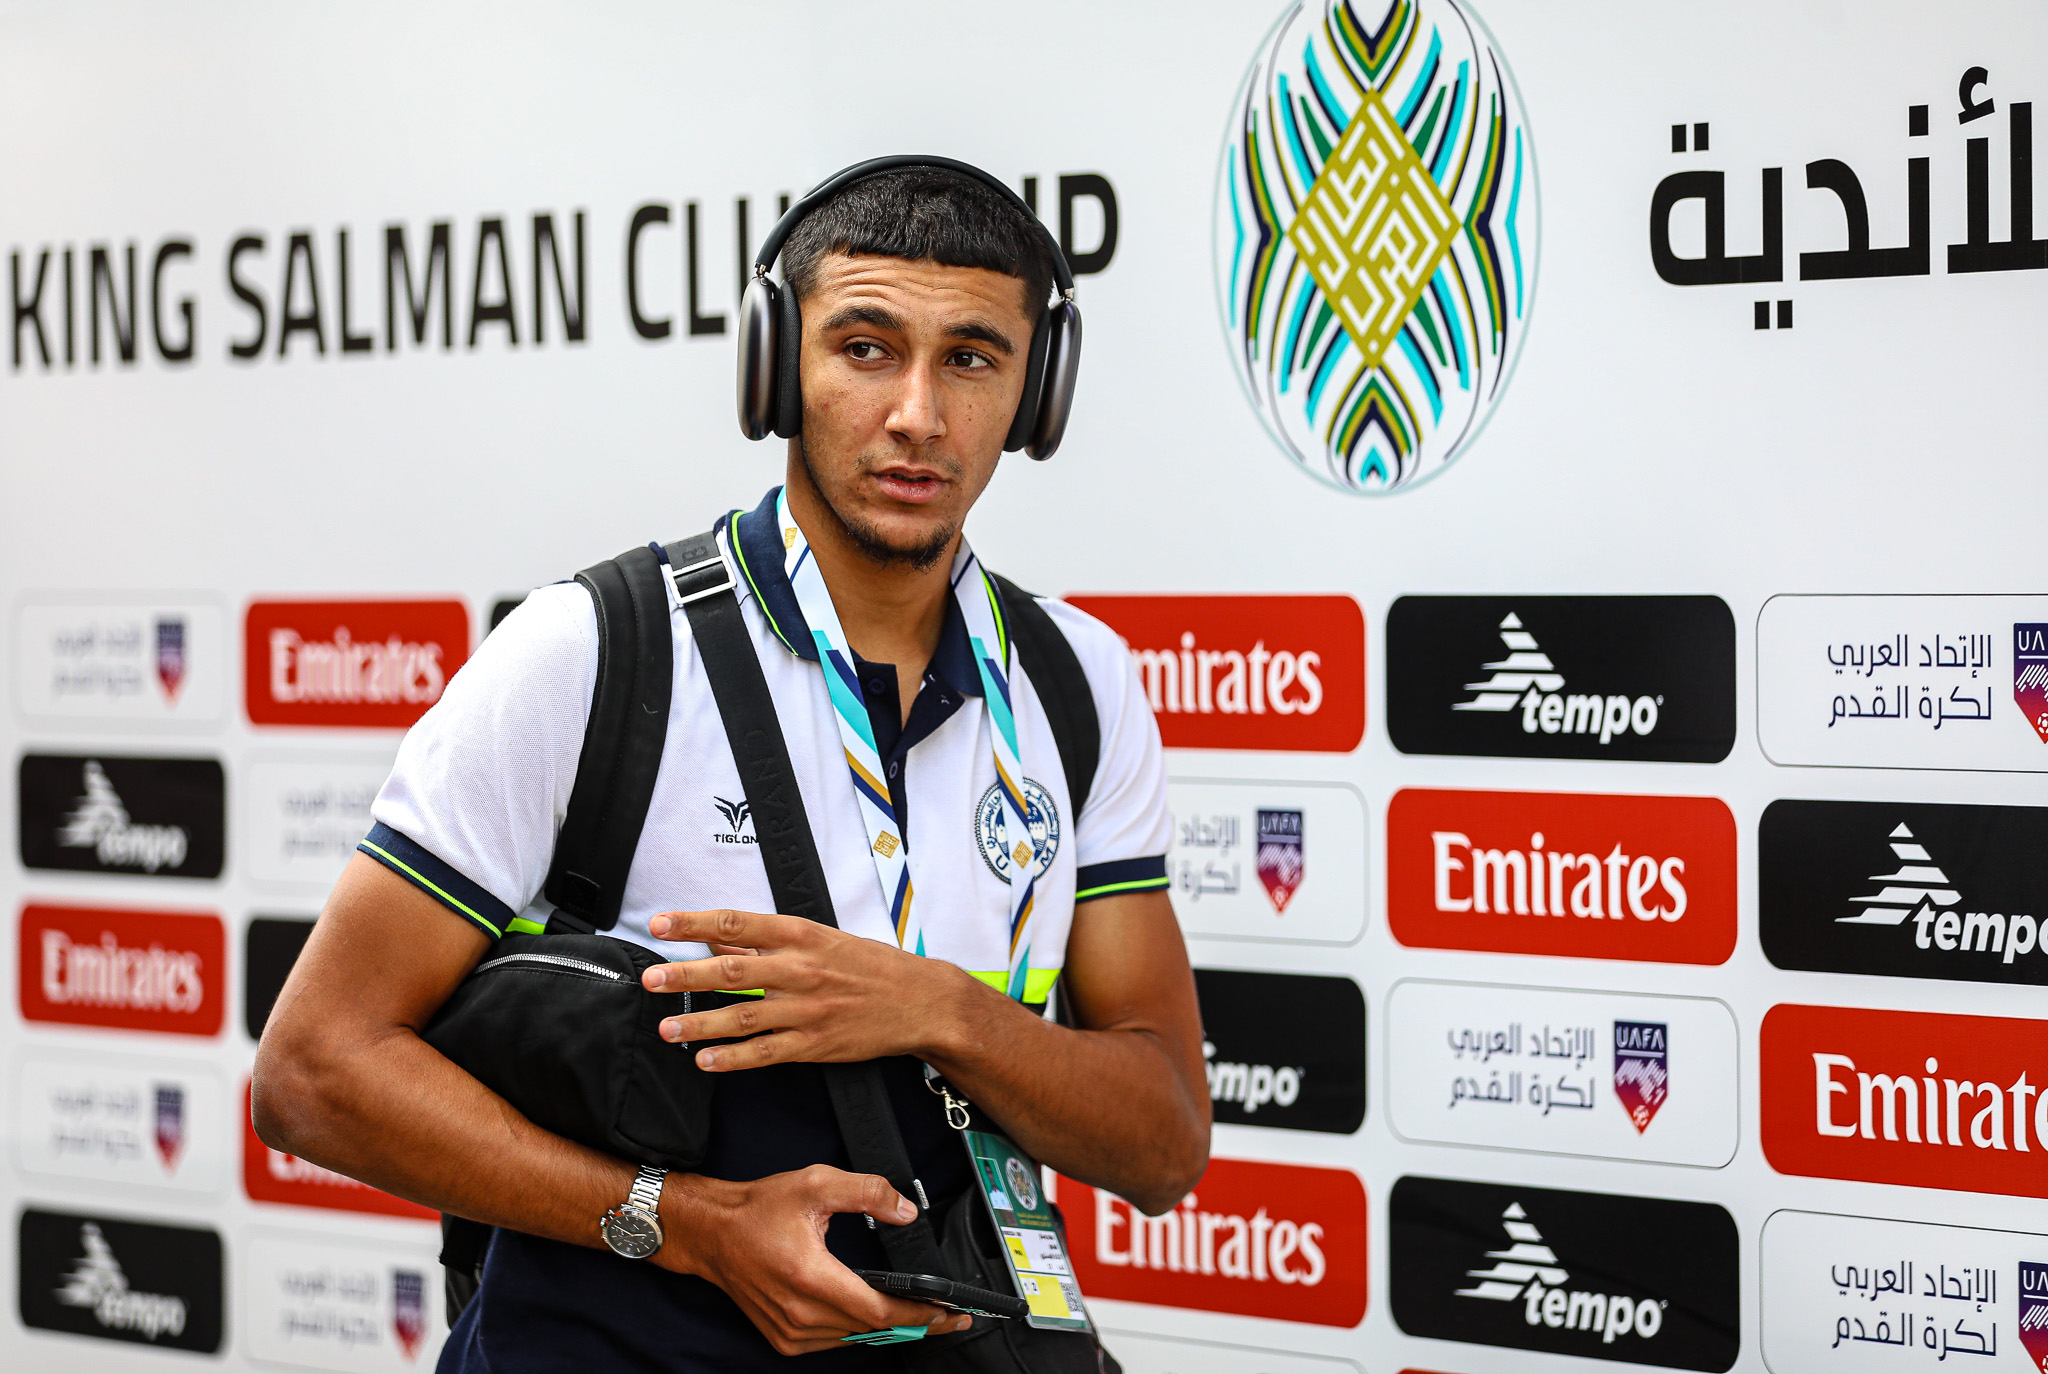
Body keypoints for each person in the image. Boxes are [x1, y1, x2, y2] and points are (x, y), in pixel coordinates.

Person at [251, 161, 1211, 1372]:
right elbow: (313, 1073)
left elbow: (1162, 1145)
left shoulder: (1078, 681)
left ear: (1037, 394)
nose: (917, 414)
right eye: (864, 348)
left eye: (971, 359)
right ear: (774, 365)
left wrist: (942, 1011)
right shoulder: (595, 647)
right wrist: (689, 1226)